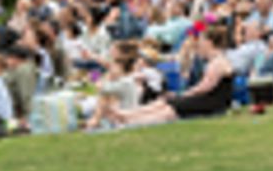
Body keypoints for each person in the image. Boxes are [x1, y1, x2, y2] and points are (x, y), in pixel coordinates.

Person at [100, 26, 234, 127]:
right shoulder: (215, 61)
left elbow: (205, 87)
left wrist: (183, 94)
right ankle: (128, 115)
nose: (199, 44)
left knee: (170, 108)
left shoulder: (217, 63)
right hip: (210, 100)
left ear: (209, 42)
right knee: (166, 101)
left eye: (202, 41)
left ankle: (132, 119)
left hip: (213, 103)